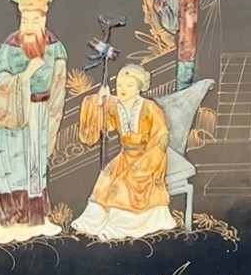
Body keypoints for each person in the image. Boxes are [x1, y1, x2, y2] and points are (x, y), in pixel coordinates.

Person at [0, 0, 67, 244]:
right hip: (12, 118)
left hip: (40, 113)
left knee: (35, 169)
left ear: (44, 18)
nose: (28, 26)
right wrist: (24, 77)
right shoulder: (9, 48)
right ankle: (2, 221)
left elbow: (59, 88)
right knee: (10, 170)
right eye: (25, 20)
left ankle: (36, 218)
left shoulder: (55, 48)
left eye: (34, 20)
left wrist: (52, 126)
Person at [71, 63, 175, 241]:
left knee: (123, 183)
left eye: (129, 85)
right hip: (125, 156)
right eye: (119, 85)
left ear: (139, 87)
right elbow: (103, 121)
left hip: (149, 157)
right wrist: (99, 101)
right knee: (105, 179)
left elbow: (161, 137)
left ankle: (119, 227)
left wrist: (147, 163)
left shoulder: (150, 107)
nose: (123, 89)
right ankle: (91, 221)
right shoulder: (114, 105)